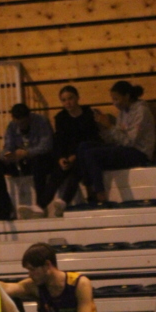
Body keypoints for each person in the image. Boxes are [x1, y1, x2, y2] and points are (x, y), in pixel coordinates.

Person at [76, 80, 156, 203]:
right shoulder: (122, 112)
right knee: (83, 147)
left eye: (116, 99)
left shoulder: (141, 111)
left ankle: (100, 194)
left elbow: (129, 142)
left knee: (91, 154)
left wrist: (110, 126)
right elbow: (115, 140)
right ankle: (89, 188)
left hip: (139, 153)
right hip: (124, 149)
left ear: (127, 96)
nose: (114, 103)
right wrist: (103, 127)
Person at [42, 85, 100, 216]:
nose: (67, 102)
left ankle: (64, 201)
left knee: (77, 169)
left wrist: (75, 156)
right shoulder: (61, 117)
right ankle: (41, 205)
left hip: (86, 153)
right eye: (64, 100)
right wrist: (61, 158)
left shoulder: (88, 114)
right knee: (57, 172)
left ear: (77, 98)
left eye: (70, 98)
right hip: (68, 155)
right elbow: (59, 141)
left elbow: (93, 138)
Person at [0, 102, 54, 215]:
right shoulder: (12, 126)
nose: (21, 126)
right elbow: (7, 147)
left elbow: (47, 146)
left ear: (29, 117)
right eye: (18, 123)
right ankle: (5, 207)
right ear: (14, 119)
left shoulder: (41, 122)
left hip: (40, 161)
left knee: (38, 162)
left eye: (24, 122)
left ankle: (40, 205)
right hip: (20, 162)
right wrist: (9, 156)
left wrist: (27, 153)